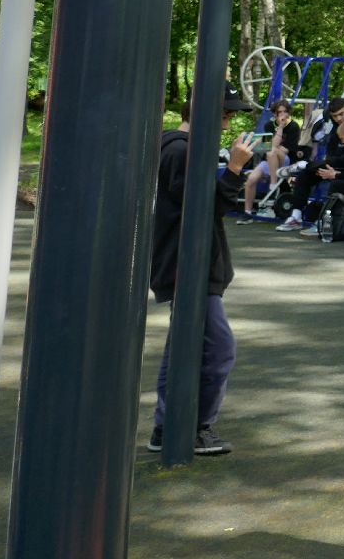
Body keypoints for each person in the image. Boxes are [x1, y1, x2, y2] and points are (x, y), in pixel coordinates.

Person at [148, 98, 255, 456]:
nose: (230, 120)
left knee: (180, 347)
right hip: (186, 265)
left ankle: (166, 427)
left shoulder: (177, 148)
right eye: (227, 113)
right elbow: (206, 208)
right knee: (220, 349)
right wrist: (235, 170)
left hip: (184, 262)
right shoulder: (181, 153)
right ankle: (194, 428)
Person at [275, 97, 344, 232]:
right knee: (304, 177)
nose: (338, 118)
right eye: (335, 116)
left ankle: (325, 222)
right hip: (334, 165)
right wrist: (328, 167)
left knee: (331, 182)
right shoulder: (333, 129)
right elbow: (332, 154)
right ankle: (296, 218)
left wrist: (333, 171)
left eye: (341, 114)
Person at [241, 99, 299, 218]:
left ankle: (273, 183)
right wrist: (279, 129)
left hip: (284, 160)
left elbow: (285, 149)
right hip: (269, 158)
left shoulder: (293, 126)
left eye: (285, 112)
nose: (282, 115)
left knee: (272, 151)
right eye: (279, 112)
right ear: (275, 114)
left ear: (288, 113)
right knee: (251, 179)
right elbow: (269, 146)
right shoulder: (269, 125)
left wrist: (282, 127)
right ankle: (247, 212)